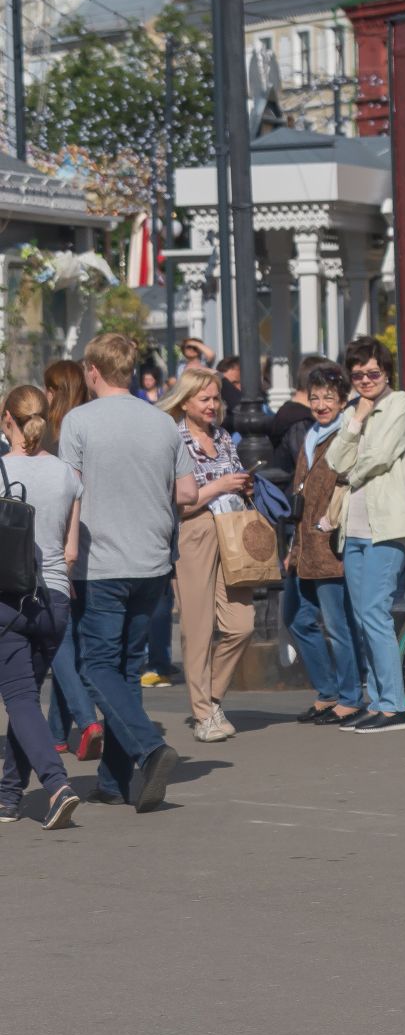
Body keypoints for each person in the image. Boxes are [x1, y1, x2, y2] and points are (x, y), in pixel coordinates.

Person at [59, 332, 191, 812]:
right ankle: (114, 781)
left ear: (93, 370)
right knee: (126, 670)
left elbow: (67, 493)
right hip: (151, 560)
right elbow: (188, 492)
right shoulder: (161, 423)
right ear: (131, 371)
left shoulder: (79, 421)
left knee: (95, 666)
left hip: (102, 562)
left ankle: (150, 750)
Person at [324, 337, 405, 734]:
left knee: (374, 614)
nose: (365, 379)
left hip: (387, 526)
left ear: (387, 372)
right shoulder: (356, 411)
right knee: (361, 618)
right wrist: (356, 419)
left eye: (373, 372)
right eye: (358, 373)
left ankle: (394, 706)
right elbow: (332, 460)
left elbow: (379, 457)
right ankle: (378, 701)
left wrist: (352, 471)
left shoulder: (400, 403)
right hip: (355, 527)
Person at [0, 386, 85, 829]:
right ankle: (10, 796)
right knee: (26, 702)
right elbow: (69, 550)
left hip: (9, 601)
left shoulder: (1, 472)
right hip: (54, 599)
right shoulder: (68, 474)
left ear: (8, 420)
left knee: (18, 700)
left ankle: (56, 785)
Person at [159, 366, 257, 743]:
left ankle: (212, 698)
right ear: (185, 401)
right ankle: (203, 714)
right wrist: (220, 485)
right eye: (206, 398)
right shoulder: (175, 439)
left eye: (216, 398)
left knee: (241, 623)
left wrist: (240, 482)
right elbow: (178, 502)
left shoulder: (223, 437)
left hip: (232, 531)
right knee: (197, 627)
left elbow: (232, 480)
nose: (214, 404)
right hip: (195, 531)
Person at [285, 364, 366, 727]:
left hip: (331, 543)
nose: (320, 404)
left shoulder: (346, 434)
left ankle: (349, 697)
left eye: (328, 398)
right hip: (303, 544)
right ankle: (328, 691)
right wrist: (292, 546)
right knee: (297, 618)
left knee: (337, 624)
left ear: (342, 401)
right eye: (314, 397)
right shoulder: (310, 434)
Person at [40, 358, 99, 758]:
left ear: (56, 391)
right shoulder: (88, 426)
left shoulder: (52, 436)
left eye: (48, 387)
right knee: (70, 635)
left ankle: (86, 717)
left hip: (60, 545)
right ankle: (57, 731)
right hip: (94, 541)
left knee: (59, 640)